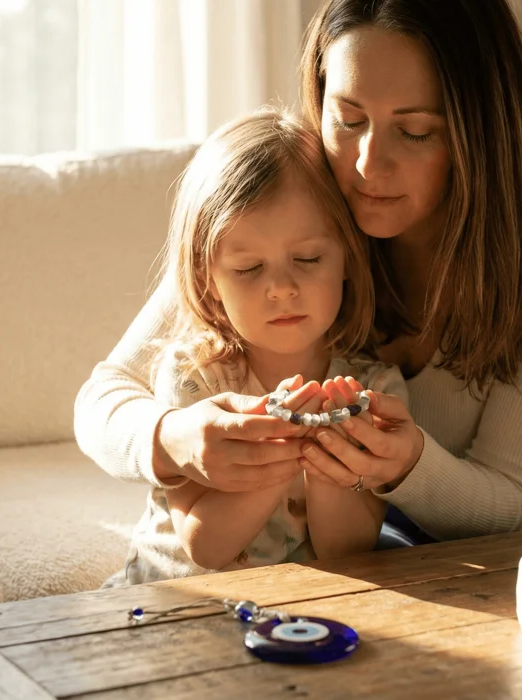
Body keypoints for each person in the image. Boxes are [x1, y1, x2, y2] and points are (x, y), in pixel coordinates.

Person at [74, 0, 522, 548]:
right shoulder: (292, 206)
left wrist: (405, 465)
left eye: (415, 131)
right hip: (363, 523)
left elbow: (512, 503)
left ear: (479, 134)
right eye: (349, 119)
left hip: (491, 509)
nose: (366, 165)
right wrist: (173, 437)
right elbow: (104, 396)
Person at [104, 108, 409, 586]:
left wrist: (327, 452)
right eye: (249, 269)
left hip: (297, 612)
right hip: (176, 601)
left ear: (348, 258)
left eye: (307, 258)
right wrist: (284, 440)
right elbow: (205, 547)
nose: (282, 288)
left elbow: (348, 553)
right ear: (209, 279)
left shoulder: (374, 390)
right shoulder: (195, 377)